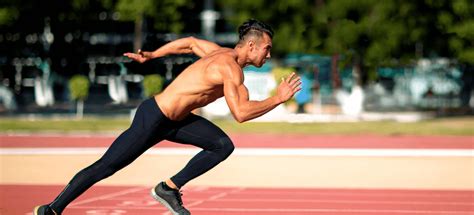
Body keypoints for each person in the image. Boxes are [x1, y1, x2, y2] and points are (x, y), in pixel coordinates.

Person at [34, 19, 301, 215]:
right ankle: (53, 209)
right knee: (106, 166)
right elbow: (241, 113)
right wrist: (277, 98)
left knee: (222, 145)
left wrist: (153, 54)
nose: (268, 54)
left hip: (176, 122)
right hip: (153, 117)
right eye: (266, 48)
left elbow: (190, 43)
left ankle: (168, 188)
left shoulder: (220, 52)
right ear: (251, 45)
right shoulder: (230, 68)